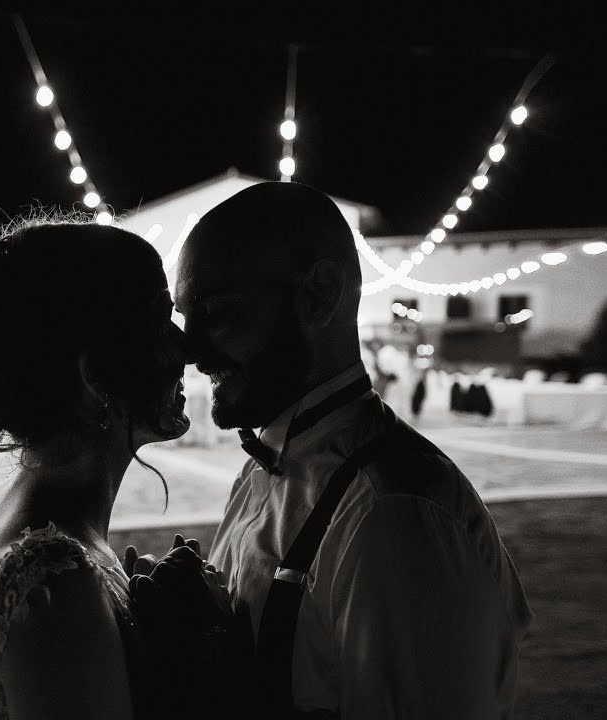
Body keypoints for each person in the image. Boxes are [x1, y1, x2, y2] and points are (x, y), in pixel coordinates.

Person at [170, 182, 531, 718]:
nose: (190, 350)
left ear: (319, 295)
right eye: (184, 317)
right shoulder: (269, 463)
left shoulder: (394, 516)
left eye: (216, 313)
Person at [0, 217, 202, 720]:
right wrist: (200, 656)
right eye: (161, 323)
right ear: (96, 375)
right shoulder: (57, 588)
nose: (187, 348)